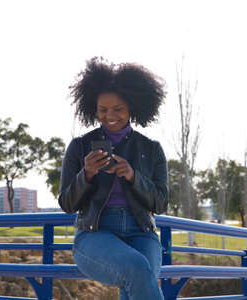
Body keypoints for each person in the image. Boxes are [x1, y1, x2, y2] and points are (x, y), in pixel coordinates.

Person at [59, 57, 168, 300]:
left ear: (132, 107)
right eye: (103, 110)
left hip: (141, 230)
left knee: (137, 283)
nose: (110, 116)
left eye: (118, 109)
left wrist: (132, 176)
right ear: (93, 109)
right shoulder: (79, 147)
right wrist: (85, 175)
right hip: (95, 232)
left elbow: (161, 203)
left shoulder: (151, 149)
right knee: (139, 270)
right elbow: (67, 204)